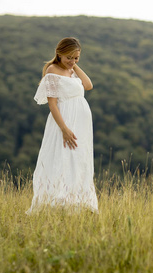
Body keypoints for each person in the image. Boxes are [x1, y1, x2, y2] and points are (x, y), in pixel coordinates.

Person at [26, 37, 99, 214]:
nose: (72, 61)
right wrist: (64, 129)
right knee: (64, 157)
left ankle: (76, 203)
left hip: (80, 123)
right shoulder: (52, 70)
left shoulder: (71, 69)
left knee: (78, 159)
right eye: (69, 57)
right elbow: (52, 104)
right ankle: (58, 202)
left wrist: (73, 65)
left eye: (76, 58)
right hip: (64, 120)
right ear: (59, 54)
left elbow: (88, 85)